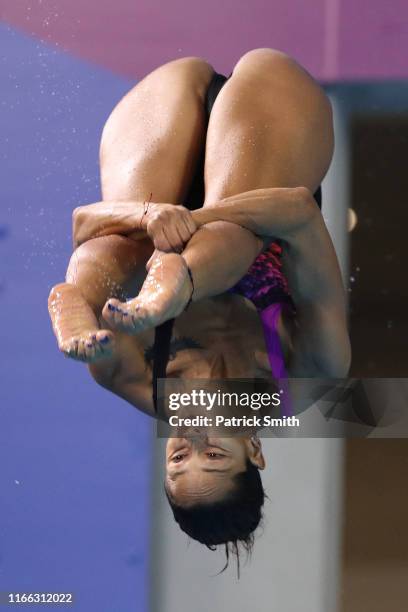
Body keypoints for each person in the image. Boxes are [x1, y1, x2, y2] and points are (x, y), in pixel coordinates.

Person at [48, 48, 351, 566]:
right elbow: (299, 213)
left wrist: (150, 214)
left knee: (115, 257)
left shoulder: (134, 377)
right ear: (254, 451)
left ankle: (79, 301)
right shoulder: (303, 373)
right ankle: (180, 279)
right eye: (212, 455)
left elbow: (84, 226)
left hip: (157, 167)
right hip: (269, 144)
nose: (192, 436)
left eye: (177, 456)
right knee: (231, 242)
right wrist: (195, 220)